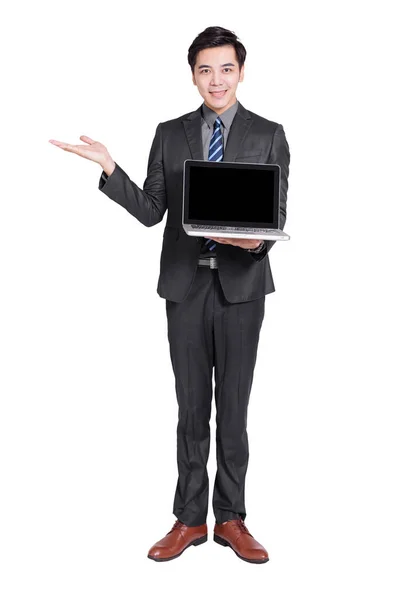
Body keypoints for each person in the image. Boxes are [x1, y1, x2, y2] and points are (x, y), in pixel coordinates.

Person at [49, 25, 290, 564]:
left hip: (242, 288)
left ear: (241, 72)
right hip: (185, 285)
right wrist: (111, 167)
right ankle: (189, 519)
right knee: (189, 408)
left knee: (232, 407)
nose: (216, 79)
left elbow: (274, 219)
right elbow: (152, 210)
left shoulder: (269, 133)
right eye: (205, 69)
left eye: (226, 68)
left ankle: (231, 518)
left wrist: (249, 241)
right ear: (193, 76)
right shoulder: (170, 132)